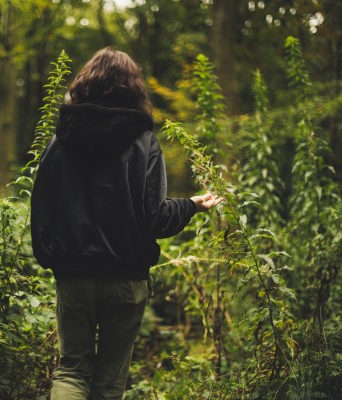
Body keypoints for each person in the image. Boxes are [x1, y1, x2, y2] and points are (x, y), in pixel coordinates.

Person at [30, 47, 223, 400]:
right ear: (133, 89)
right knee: (109, 381)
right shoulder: (144, 142)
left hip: (74, 274)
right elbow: (156, 218)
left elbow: (41, 205)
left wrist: (52, 259)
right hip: (126, 277)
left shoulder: (61, 140)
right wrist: (191, 206)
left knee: (72, 371)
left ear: (85, 83)